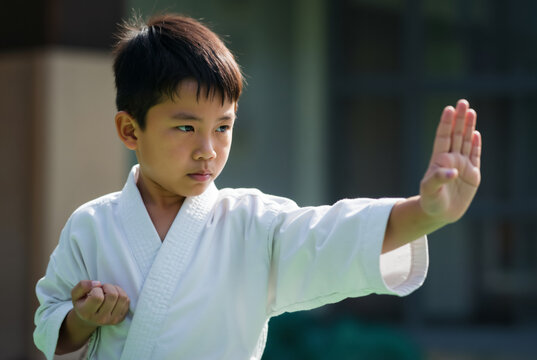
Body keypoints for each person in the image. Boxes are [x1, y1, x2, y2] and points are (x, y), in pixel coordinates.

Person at [33, 13, 482, 360]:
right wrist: (83, 317)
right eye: (186, 128)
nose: (208, 149)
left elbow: (333, 232)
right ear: (130, 130)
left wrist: (427, 212)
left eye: (223, 127)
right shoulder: (91, 225)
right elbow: (51, 328)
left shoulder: (252, 222)